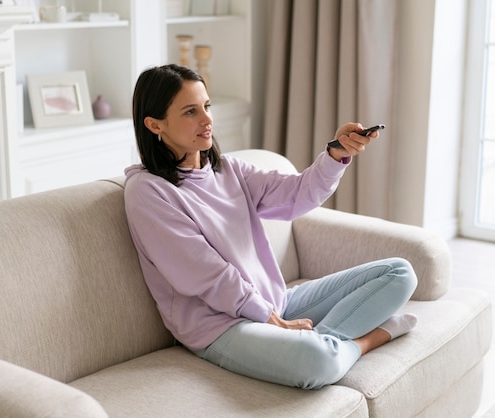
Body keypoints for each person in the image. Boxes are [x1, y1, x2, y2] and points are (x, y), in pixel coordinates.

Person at [124, 64, 418, 390]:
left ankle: (325, 344)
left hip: (275, 302)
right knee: (316, 362)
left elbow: (297, 195)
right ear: (154, 125)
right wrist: (269, 319)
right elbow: (207, 275)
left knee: (400, 272)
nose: (207, 120)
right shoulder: (148, 191)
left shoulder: (229, 169)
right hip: (221, 326)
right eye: (191, 111)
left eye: (207, 106)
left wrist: (335, 154)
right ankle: (367, 339)